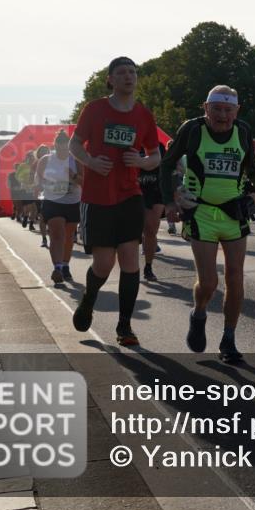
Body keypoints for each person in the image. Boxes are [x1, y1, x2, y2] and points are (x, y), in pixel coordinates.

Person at [162, 85, 255, 362]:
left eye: (229, 110)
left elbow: (251, 167)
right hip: (200, 212)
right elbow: (166, 164)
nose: (223, 116)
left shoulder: (242, 131)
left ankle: (229, 339)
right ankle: (199, 312)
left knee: (235, 276)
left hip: (233, 212)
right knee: (208, 282)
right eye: (217, 109)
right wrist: (170, 201)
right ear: (206, 108)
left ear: (236, 111)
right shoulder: (192, 130)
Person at [70, 56, 161, 347]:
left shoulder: (144, 115)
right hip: (97, 197)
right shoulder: (95, 109)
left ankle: (125, 326)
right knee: (104, 264)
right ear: (110, 79)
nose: (128, 76)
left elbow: (157, 155)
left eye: (132, 72)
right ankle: (88, 300)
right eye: (121, 72)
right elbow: (74, 144)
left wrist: (143, 161)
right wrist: (90, 162)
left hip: (129, 194)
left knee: (130, 260)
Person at [35, 130, 82, 284]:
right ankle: (57, 268)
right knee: (57, 235)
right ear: (55, 145)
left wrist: (73, 177)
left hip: (72, 202)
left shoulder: (76, 160)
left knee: (68, 237)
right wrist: (44, 187)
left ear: (68, 146)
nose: (62, 150)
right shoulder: (46, 160)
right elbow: (38, 179)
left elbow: (84, 182)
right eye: (59, 146)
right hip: (52, 201)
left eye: (65, 147)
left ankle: (65, 265)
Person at [139, 143, 167, 281]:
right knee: (137, 230)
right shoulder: (131, 144)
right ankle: (130, 268)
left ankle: (148, 267)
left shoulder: (159, 146)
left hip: (157, 190)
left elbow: (167, 166)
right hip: (136, 190)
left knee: (150, 230)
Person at [32, 145, 51, 248]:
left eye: (46, 151)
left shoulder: (54, 161)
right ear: (38, 153)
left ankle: (54, 238)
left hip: (52, 194)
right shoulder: (36, 163)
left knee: (52, 218)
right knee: (42, 218)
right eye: (42, 151)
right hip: (40, 194)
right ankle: (44, 239)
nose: (44, 153)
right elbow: (34, 178)